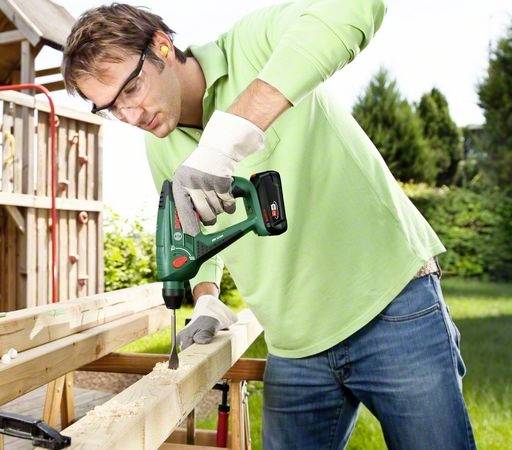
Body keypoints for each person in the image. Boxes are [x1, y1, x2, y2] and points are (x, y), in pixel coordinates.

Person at [60, 1, 476, 448]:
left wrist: (227, 139)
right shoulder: (160, 147)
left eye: (131, 89)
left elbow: (358, 8)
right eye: (110, 109)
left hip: (392, 309)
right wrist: (206, 299)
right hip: (293, 345)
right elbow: (188, 235)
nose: (130, 116)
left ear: (162, 46)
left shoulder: (252, 45)